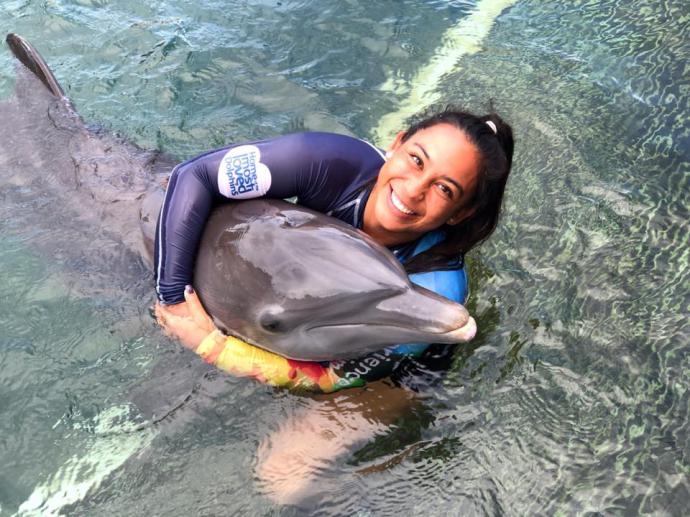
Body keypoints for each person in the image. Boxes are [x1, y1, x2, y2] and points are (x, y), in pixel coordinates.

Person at [154, 107, 514, 392]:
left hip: (401, 375)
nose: (413, 189)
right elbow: (195, 176)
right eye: (416, 160)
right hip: (295, 304)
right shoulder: (329, 161)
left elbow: (338, 381)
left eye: (445, 189)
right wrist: (174, 300)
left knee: (284, 471)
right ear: (397, 143)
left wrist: (214, 348)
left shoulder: (437, 285)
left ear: (461, 213)